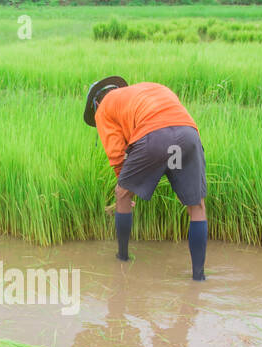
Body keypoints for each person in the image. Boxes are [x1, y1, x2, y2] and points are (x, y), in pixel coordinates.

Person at [84, 75, 208, 280]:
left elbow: (116, 154)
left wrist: (126, 188)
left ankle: (122, 258)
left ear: (96, 103)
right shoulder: (146, 89)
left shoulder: (104, 107)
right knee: (197, 205)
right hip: (188, 135)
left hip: (154, 137)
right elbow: (171, 132)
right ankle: (199, 277)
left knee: (121, 193)